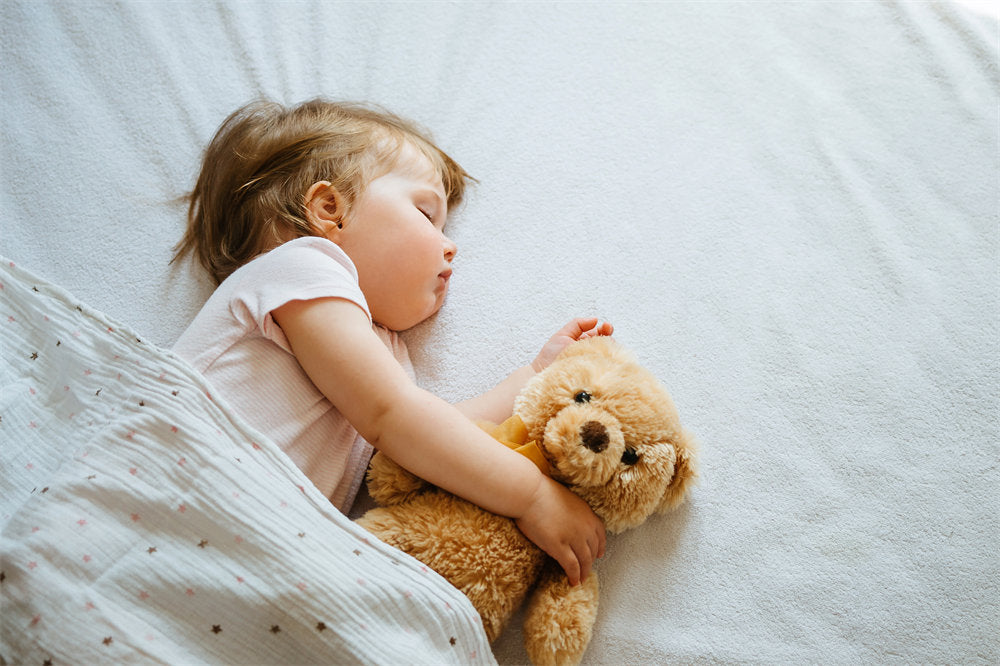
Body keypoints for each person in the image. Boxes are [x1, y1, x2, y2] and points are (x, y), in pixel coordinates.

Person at [172, 99, 613, 586]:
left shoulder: (382, 356)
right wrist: (531, 495)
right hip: (180, 497)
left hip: (242, 558)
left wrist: (532, 379)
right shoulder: (300, 269)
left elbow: (424, 443)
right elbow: (396, 420)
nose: (451, 246)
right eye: (427, 215)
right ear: (328, 210)